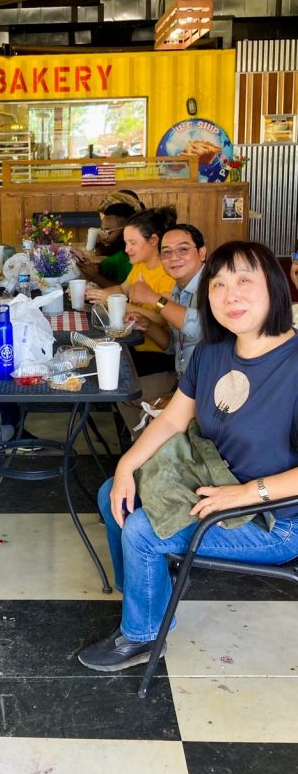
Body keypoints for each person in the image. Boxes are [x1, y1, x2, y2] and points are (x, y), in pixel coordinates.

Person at [79, 241, 298, 673]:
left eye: (244, 280)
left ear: (274, 286)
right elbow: (172, 421)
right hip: (214, 483)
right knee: (112, 494)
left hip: (279, 520)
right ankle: (147, 593)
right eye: (218, 284)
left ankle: (142, 636)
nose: (230, 295)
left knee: (142, 530)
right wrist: (126, 466)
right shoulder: (213, 353)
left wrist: (244, 494)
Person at [118, 224, 206, 435]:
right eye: (167, 252)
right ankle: (145, 458)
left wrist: (153, 299)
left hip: (207, 388)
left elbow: (199, 328)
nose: (174, 257)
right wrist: (148, 327)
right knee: (126, 394)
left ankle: (154, 455)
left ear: (202, 252)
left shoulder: (213, 285)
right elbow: (174, 347)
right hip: (181, 378)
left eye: (183, 249)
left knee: (153, 418)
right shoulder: (178, 292)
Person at [86, 206, 177, 376]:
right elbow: (122, 289)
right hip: (130, 343)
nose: (127, 249)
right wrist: (96, 293)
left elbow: (161, 316)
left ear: (153, 240)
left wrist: (117, 303)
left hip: (154, 354)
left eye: (133, 243)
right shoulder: (140, 265)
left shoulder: (168, 272)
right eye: (126, 243)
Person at [71, 190, 144, 287]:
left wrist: (95, 277)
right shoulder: (120, 253)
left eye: (108, 231)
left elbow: (126, 293)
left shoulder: (132, 256)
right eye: (102, 229)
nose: (104, 234)